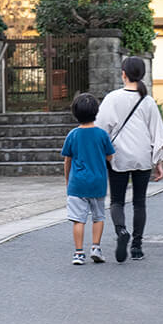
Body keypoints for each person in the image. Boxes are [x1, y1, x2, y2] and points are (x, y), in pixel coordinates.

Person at [97, 57, 163, 262]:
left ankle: (121, 231)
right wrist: (158, 161)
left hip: (117, 155)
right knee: (139, 203)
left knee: (117, 201)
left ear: (123, 74)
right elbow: (157, 134)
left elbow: (101, 129)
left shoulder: (112, 98)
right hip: (142, 156)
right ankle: (137, 247)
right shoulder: (148, 101)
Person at [61, 93, 115, 265]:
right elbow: (110, 157)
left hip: (77, 183)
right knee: (98, 217)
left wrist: (68, 180)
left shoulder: (73, 135)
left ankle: (78, 253)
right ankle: (96, 248)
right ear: (96, 112)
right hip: (98, 182)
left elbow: (67, 160)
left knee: (78, 219)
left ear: (75, 113)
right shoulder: (102, 134)